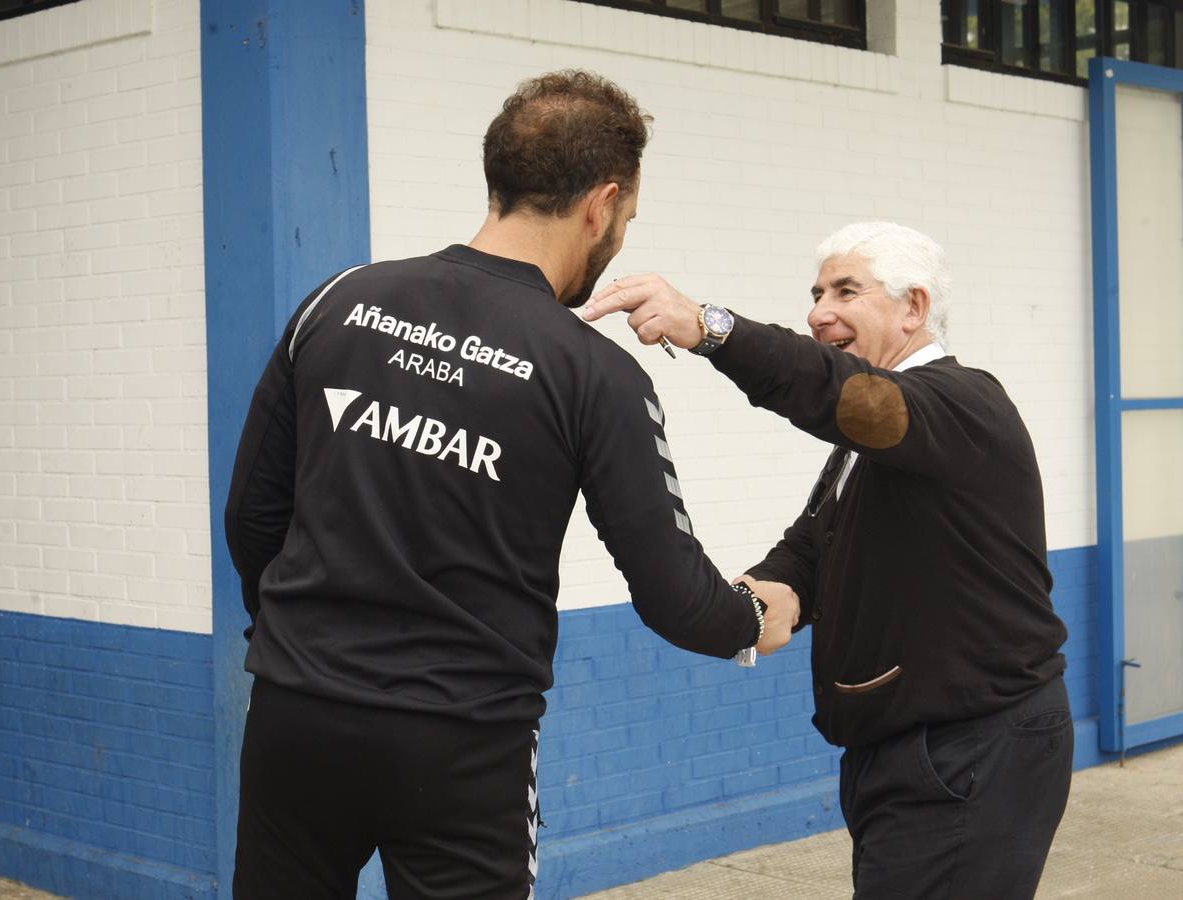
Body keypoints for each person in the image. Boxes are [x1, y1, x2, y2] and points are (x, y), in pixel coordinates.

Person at [224, 70, 797, 900]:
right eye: (626, 220)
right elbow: (675, 596)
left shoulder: (341, 300)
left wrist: (299, 646)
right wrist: (755, 614)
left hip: (296, 716)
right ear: (600, 205)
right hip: (462, 745)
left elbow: (253, 518)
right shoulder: (594, 372)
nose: (619, 237)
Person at [583, 221, 1072, 899]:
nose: (818, 312)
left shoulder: (958, 406)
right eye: (815, 293)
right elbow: (813, 548)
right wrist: (761, 598)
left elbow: (841, 394)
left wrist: (711, 328)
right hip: (899, 750)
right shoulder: (877, 444)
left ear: (915, 307)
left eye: (846, 291)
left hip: (970, 749)